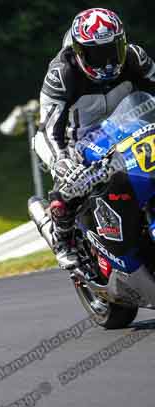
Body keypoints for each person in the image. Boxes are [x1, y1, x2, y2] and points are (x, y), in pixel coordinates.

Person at [36, 8, 155, 269]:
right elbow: (47, 129)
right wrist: (62, 162)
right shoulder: (62, 74)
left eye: (113, 51)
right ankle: (63, 238)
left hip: (131, 129)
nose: (107, 62)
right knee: (69, 189)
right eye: (97, 55)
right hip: (80, 143)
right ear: (79, 52)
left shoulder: (135, 58)